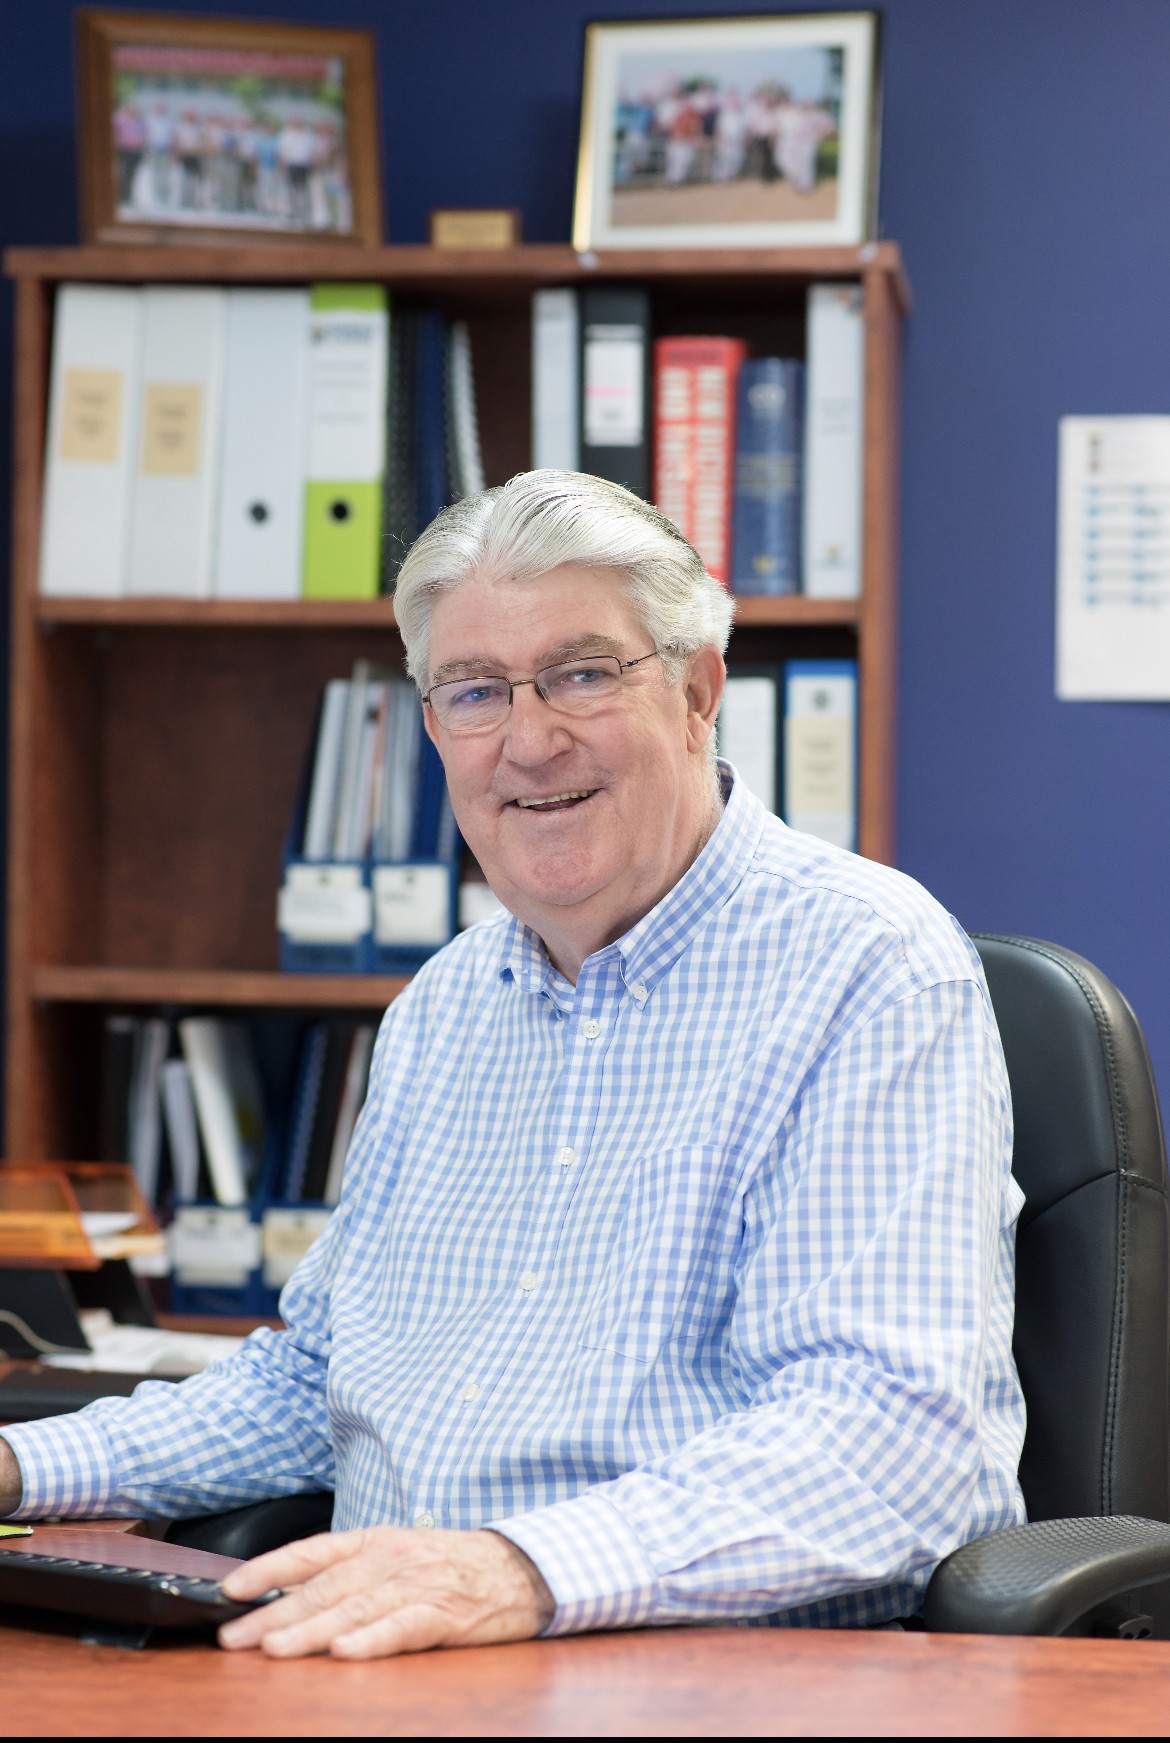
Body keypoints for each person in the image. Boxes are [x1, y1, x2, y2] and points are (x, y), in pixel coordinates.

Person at [0, 472, 1025, 1660]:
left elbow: (891, 1443)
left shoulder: (866, 965)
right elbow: (316, 1386)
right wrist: (26, 1461)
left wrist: (521, 1570)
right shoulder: (445, 1005)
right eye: (476, 693)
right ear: (436, 728)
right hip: (373, 1664)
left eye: (584, 675)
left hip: (707, 1674)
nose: (529, 742)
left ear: (697, 692)